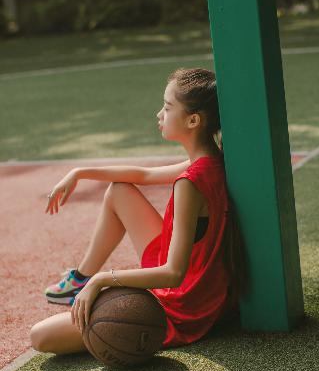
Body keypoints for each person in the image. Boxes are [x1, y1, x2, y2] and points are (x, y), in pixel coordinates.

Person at [30, 67, 248, 355]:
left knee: (40, 337)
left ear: (193, 120)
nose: (159, 114)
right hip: (204, 284)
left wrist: (103, 279)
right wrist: (79, 172)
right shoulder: (211, 161)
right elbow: (142, 175)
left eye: (168, 107)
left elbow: (173, 274)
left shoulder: (190, 183)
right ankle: (80, 277)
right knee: (119, 190)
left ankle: (89, 279)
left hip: (182, 304)